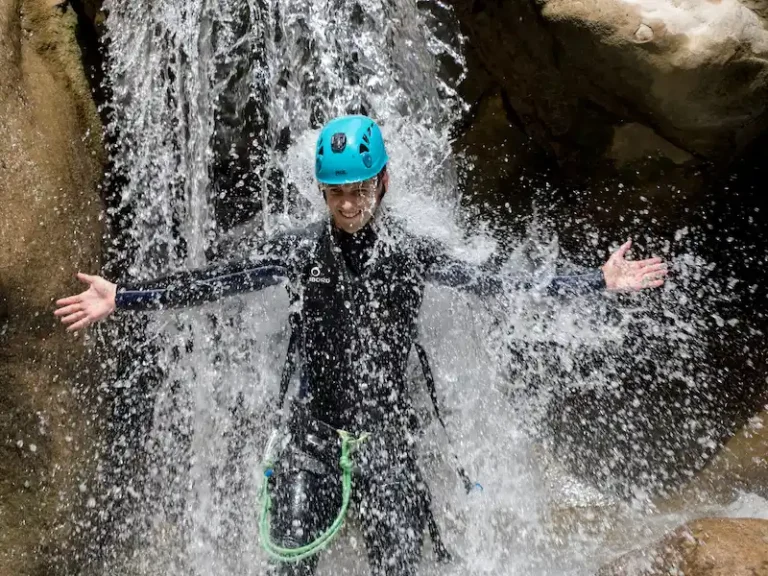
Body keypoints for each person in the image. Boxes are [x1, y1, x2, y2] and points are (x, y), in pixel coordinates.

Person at [54, 115, 667, 575]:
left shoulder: (410, 252)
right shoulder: (299, 251)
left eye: (359, 190)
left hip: (386, 438)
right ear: (322, 193)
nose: (348, 205)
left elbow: (494, 282)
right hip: (309, 438)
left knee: (398, 566)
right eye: (336, 193)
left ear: (383, 182)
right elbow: (217, 282)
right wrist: (125, 297)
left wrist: (596, 281)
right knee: (288, 563)